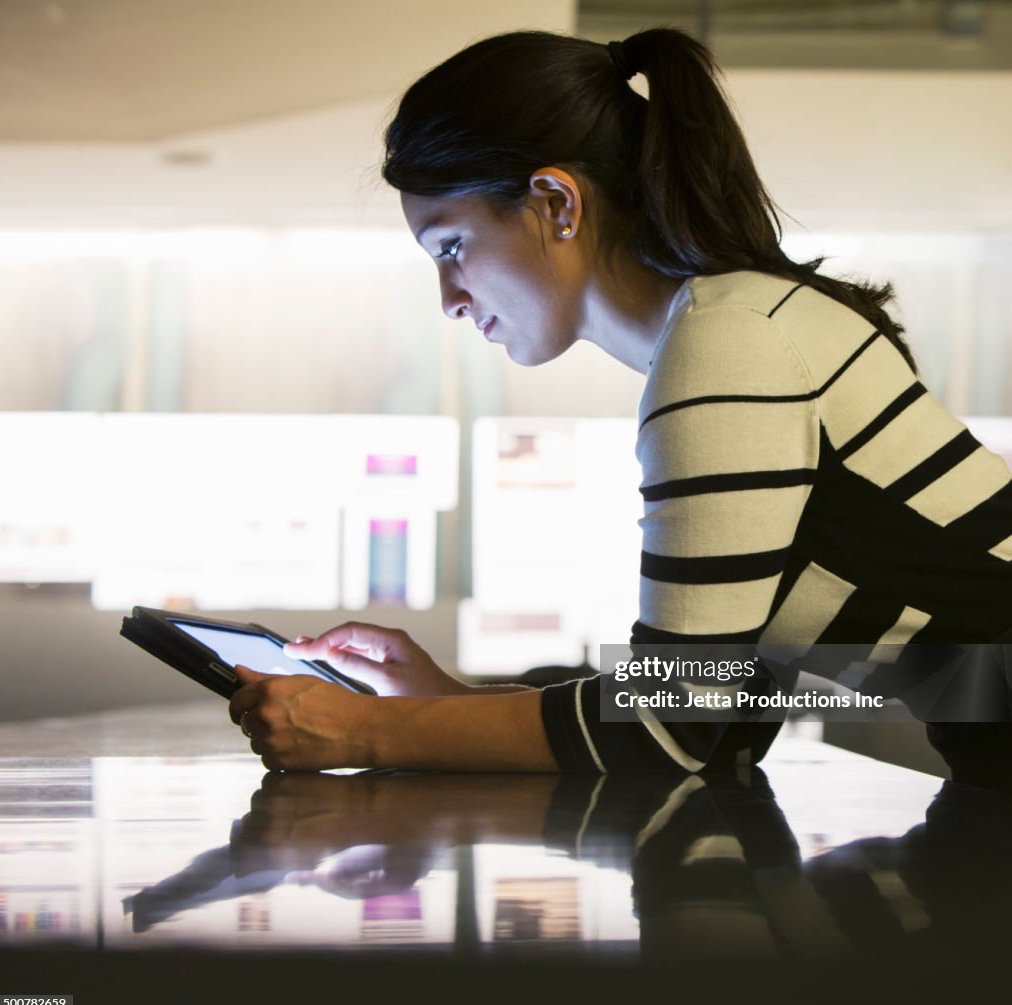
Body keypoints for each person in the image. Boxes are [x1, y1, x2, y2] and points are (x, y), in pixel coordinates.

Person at [229, 28, 1012, 779]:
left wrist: (362, 727)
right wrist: (442, 702)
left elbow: (672, 726)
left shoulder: (731, 342)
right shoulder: (741, 325)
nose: (450, 299)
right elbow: (722, 715)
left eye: (453, 248)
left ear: (556, 203)